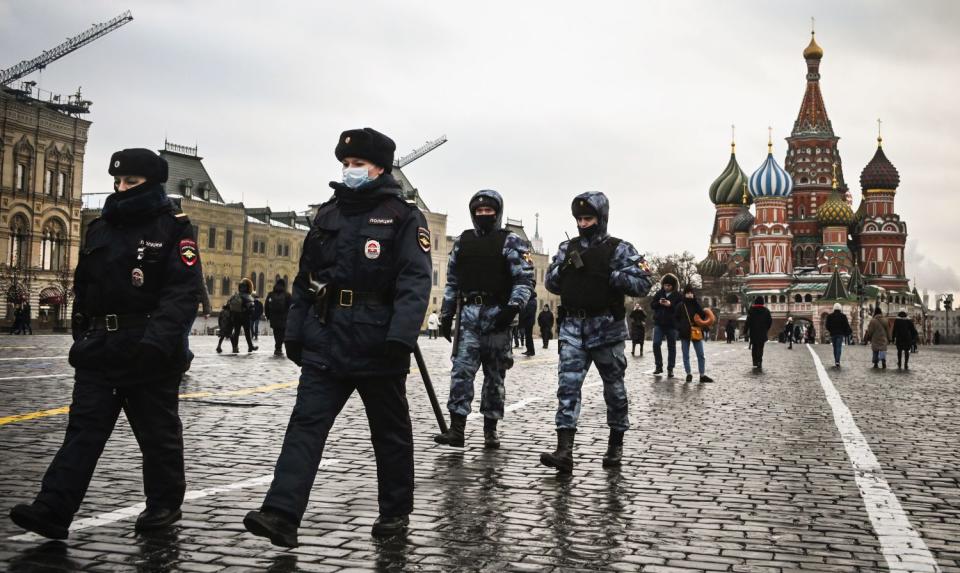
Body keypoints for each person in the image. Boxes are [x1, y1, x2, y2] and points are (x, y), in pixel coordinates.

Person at [243, 127, 431, 545]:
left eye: (358, 165)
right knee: (305, 426)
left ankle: (395, 513)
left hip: (378, 340)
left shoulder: (403, 216)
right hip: (327, 336)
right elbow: (306, 278)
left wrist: (400, 337)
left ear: (379, 167)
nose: (350, 171)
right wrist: (295, 331)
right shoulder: (329, 214)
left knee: (389, 433)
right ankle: (281, 514)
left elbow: (415, 280)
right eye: (346, 164)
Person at [9, 148, 202, 539]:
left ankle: (164, 505)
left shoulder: (174, 228)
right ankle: (53, 508)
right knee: (83, 430)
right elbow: (86, 286)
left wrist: (157, 344)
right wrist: (83, 330)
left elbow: (182, 292)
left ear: (153, 182)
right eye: (118, 181)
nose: (121, 188)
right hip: (99, 347)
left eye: (131, 182)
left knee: (157, 433)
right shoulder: (100, 227)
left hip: (147, 347)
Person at [540, 192, 651, 473]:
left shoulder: (619, 249)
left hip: (606, 330)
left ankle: (615, 443)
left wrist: (609, 274)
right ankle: (564, 450)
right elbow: (551, 284)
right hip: (573, 329)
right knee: (567, 389)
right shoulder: (567, 248)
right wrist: (563, 269)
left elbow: (643, 283)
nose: (583, 223)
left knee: (614, 390)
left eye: (588, 218)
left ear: (601, 219)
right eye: (579, 219)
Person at [434, 190, 534, 449]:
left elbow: (524, 280)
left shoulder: (511, 242)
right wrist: (446, 314)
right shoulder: (463, 241)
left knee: (495, 377)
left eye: (489, 211)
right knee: (461, 373)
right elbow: (452, 280)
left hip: (497, 315)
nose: (483, 215)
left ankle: (490, 429)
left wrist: (512, 309)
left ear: (497, 212)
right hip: (468, 316)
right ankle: (457, 429)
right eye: (479, 212)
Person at [675, 285, 715, 383]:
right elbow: (675, 318)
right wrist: (680, 328)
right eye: (688, 293)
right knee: (686, 355)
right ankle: (688, 374)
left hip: (696, 331)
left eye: (691, 293)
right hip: (684, 333)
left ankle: (702, 375)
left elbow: (702, 315)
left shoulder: (696, 304)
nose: (689, 294)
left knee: (700, 354)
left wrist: (695, 301)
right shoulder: (680, 305)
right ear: (684, 294)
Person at [650, 273, 681, 377]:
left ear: (673, 286)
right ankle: (658, 366)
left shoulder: (678, 295)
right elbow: (652, 305)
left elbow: (680, 309)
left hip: (672, 325)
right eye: (665, 285)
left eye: (669, 285)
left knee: (671, 346)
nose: (666, 287)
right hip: (659, 323)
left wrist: (670, 305)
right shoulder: (659, 293)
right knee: (656, 344)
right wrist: (659, 303)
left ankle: (670, 368)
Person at [228, 278, 257, 353]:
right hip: (245, 316)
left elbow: (229, 304)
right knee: (247, 332)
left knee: (236, 332)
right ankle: (250, 346)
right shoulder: (247, 296)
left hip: (236, 316)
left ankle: (235, 347)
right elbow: (251, 307)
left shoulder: (236, 295)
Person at [264, 279, 291, 356]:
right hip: (284, 318)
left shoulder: (271, 294)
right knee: (282, 333)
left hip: (273, 318)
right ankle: (278, 348)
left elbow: (266, 306)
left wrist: (268, 316)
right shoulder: (287, 295)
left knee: (276, 332)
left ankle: (277, 348)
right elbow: (291, 306)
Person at [745, 296, 772, 371]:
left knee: (754, 347)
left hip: (753, 332)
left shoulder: (751, 310)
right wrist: (766, 329)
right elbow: (769, 321)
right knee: (760, 347)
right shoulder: (766, 311)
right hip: (762, 332)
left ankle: (755, 361)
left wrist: (745, 330)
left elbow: (748, 322)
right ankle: (760, 361)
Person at [825, 303, 852, 368]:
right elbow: (846, 325)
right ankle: (838, 361)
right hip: (840, 334)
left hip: (833, 334)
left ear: (834, 308)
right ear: (840, 308)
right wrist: (845, 332)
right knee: (839, 347)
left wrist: (831, 330)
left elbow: (827, 325)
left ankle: (836, 360)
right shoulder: (843, 316)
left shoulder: (830, 316)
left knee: (835, 347)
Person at [520, 290, 538, 356]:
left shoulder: (532, 302)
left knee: (529, 336)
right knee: (528, 336)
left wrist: (523, 317)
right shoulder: (531, 301)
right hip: (528, 321)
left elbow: (529, 312)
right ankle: (529, 350)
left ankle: (531, 351)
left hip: (529, 321)